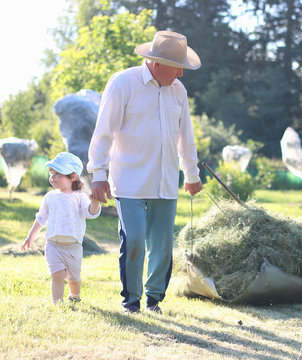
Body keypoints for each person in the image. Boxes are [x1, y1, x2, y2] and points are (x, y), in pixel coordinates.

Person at [88, 31, 203, 314]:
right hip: (129, 180)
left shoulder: (178, 91)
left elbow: (185, 137)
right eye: (178, 67)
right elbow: (103, 132)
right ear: (157, 63)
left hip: (165, 182)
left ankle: (154, 301)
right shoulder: (123, 83)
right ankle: (131, 301)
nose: (181, 74)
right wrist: (98, 174)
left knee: (162, 246)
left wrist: (191, 173)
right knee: (135, 239)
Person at [22, 152, 101, 304]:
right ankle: (57, 303)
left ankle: (75, 296)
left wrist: (96, 203)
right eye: (51, 173)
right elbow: (41, 219)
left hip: (73, 247)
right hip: (53, 245)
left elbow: (90, 213)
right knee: (57, 275)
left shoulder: (80, 197)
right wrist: (30, 236)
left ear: (72, 177)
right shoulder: (50, 197)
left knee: (74, 278)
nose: (52, 177)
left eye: (57, 174)